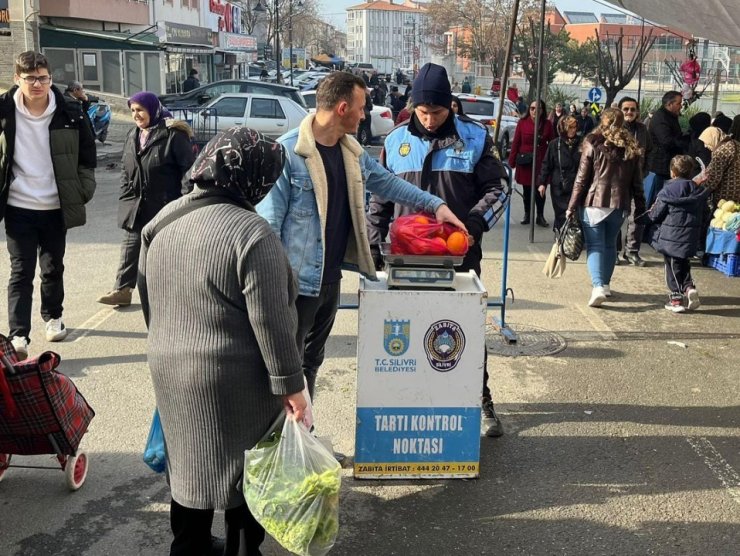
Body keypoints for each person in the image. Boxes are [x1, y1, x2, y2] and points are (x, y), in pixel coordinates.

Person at [138, 127, 307, 556]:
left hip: (169, 366)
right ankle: (242, 548)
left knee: (188, 463)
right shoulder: (252, 234)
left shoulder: (162, 221)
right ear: (252, 177)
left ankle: (189, 546)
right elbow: (273, 323)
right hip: (233, 379)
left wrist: (169, 340)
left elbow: (148, 298)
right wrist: (291, 385)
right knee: (243, 471)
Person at [256, 71, 465, 403]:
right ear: (342, 109)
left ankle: (303, 444)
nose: (365, 114)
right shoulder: (289, 154)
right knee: (284, 373)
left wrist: (436, 205)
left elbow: (387, 182)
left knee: (311, 365)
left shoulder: (350, 152)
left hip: (329, 283)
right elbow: (268, 230)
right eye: (362, 107)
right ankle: (281, 447)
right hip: (296, 288)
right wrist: (274, 293)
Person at [366, 62, 510, 437]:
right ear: (413, 106)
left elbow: (499, 190)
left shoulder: (475, 138)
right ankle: (415, 401)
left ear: (452, 106)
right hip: (403, 258)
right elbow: (379, 199)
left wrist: (476, 224)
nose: (430, 120)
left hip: (459, 255)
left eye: (438, 111)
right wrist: (373, 246)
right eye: (423, 111)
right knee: (407, 334)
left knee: (464, 333)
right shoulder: (395, 142)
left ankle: (481, 401)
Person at [0, 51, 97, 359]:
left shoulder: (70, 111)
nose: (38, 84)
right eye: (30, 78)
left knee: (53, 268)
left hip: (55, 205)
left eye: (43, 77)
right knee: (21, 271)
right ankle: (18, 335)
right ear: (18, 79)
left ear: (50, 78)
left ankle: (53, 316)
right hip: (18, 205)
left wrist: (82, 189)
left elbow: (87, 155)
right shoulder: (3, 111)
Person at [96, 92, 195, 307]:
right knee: (130, 248)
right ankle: (122, 290)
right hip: (137, 205)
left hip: (166, 206)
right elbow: (126, 168)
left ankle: (172, 294)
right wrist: (126, 195)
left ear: (152, 109)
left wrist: (185, 203)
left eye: (140, 110)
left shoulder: (173, 135)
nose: (136, 115)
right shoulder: (133, 135)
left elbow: (188, 171)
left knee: (165, 252)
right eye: (133, 111)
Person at [567, 107, 645, 308]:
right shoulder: (630, 146)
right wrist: (641, 208)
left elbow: (581, 179)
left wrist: (571, 205)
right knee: (610, 245)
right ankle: (606, 285)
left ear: (603, 121)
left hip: (594, 202)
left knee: (595, 246)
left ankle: (598, 286)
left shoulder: (592, 142)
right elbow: (637, 183)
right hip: (620, 205)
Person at [642, 154, 709, 313]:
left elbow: (655, 215)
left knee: (671, 267)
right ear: (691, 172)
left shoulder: (667, 190)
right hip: (690, 237)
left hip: (670, 237)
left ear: (672, 172)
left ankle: (676, 299)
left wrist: (644, 218)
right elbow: (705, 213)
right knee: (682, 262)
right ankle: (689, 288)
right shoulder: (698, 191)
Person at [616, 96, 653, 266]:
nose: (629, 112)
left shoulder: (643, 129)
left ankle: (631, 251)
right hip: (617, 182)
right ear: (620, 111)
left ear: (637, 111)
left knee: (637, 216)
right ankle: (614, 251)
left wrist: (644, 171)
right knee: (615, 218)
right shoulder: (614, 129)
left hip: (637, 180)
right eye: (626, 109)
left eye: (632, 109)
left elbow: (651, 151)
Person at [508, 99, 556, 226]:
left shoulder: (547, 124)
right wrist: (511, 162)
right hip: (526, 161)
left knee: (540, 189)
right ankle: (527, 214)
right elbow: (516, 143)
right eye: (532, 108)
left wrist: (554, 161)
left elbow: (552, 143)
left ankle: (540, 216)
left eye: (538, 108)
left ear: (542, 110)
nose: (534, 111)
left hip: (541, 161)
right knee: (527, 190)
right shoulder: (522, 123)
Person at [538, 115, 581, 234]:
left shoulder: (582, 143)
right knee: (561, 213)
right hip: (560, 186)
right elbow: (546, 164)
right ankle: (560, 237)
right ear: (563, 129)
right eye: (570, 127)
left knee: (575, 213)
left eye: (574, 127)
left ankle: (573, 240)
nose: (573, 130)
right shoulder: (554, 144)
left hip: (577, 184)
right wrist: (542, 183)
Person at [645, 91, 686, 210]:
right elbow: (666, 141)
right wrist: (683, 143)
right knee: (657, 200)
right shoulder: (661, 118)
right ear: (669, 104)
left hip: (667, 164)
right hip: (660, 166)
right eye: (678, 103)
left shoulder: (671, 117)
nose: (680, 106)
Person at [700, 126, 740, 207]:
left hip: (726, 196)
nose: (705, 145)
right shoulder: (736, 144)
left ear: (714, 138)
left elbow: (714, 178)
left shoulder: (722, 151)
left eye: (707, 142)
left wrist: (699, 190)